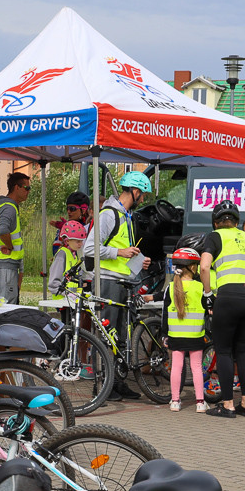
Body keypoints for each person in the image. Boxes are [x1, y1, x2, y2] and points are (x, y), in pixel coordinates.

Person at [199, 200, 245, 418]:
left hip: (228, 296)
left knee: (224, 350)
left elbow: (204, 266)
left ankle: (228, 405)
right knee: (242, 349)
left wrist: (208, 294)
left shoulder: (215, 236)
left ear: (216, 222)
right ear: (236, 221)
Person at [82, 171, 153, 401]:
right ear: (135, 191)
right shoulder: (108, 215)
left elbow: (122, 253)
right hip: (108, 283)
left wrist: (137, 260)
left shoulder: (126, 217)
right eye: (142, 195)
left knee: (121, 336)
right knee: (105, 335)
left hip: (124, 283)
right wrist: (120, 252)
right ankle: (102, 385)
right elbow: (90, 249)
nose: (143, 200)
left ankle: (117, 383)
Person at [161, 247, 207, 413]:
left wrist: (164, 334)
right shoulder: (200, 288)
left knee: (176, 368)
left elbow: (164, 314)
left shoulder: (171, 287)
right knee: (196, 367)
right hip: (195, 335)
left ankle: (175, 401)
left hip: (175, 335)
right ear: (194, 268)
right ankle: (200, 403)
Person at [0, 172, 30, 303]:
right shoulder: (9, 208)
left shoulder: (6, 206)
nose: (28, 191)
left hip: (2, 264)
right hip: (4, 264)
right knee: (5, 306)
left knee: (4, 304)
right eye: (27, 188)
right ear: (17, 187)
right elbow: (3, 230)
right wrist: (10, 246)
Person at [47, 220, 86, 294]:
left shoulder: (73, 253)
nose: (81, 244)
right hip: (61, 301)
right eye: (78, 241)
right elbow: (53, 284)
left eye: (81, 241)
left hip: (70, 300)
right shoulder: (62, 254)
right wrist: (67, 293)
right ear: (67, 241)